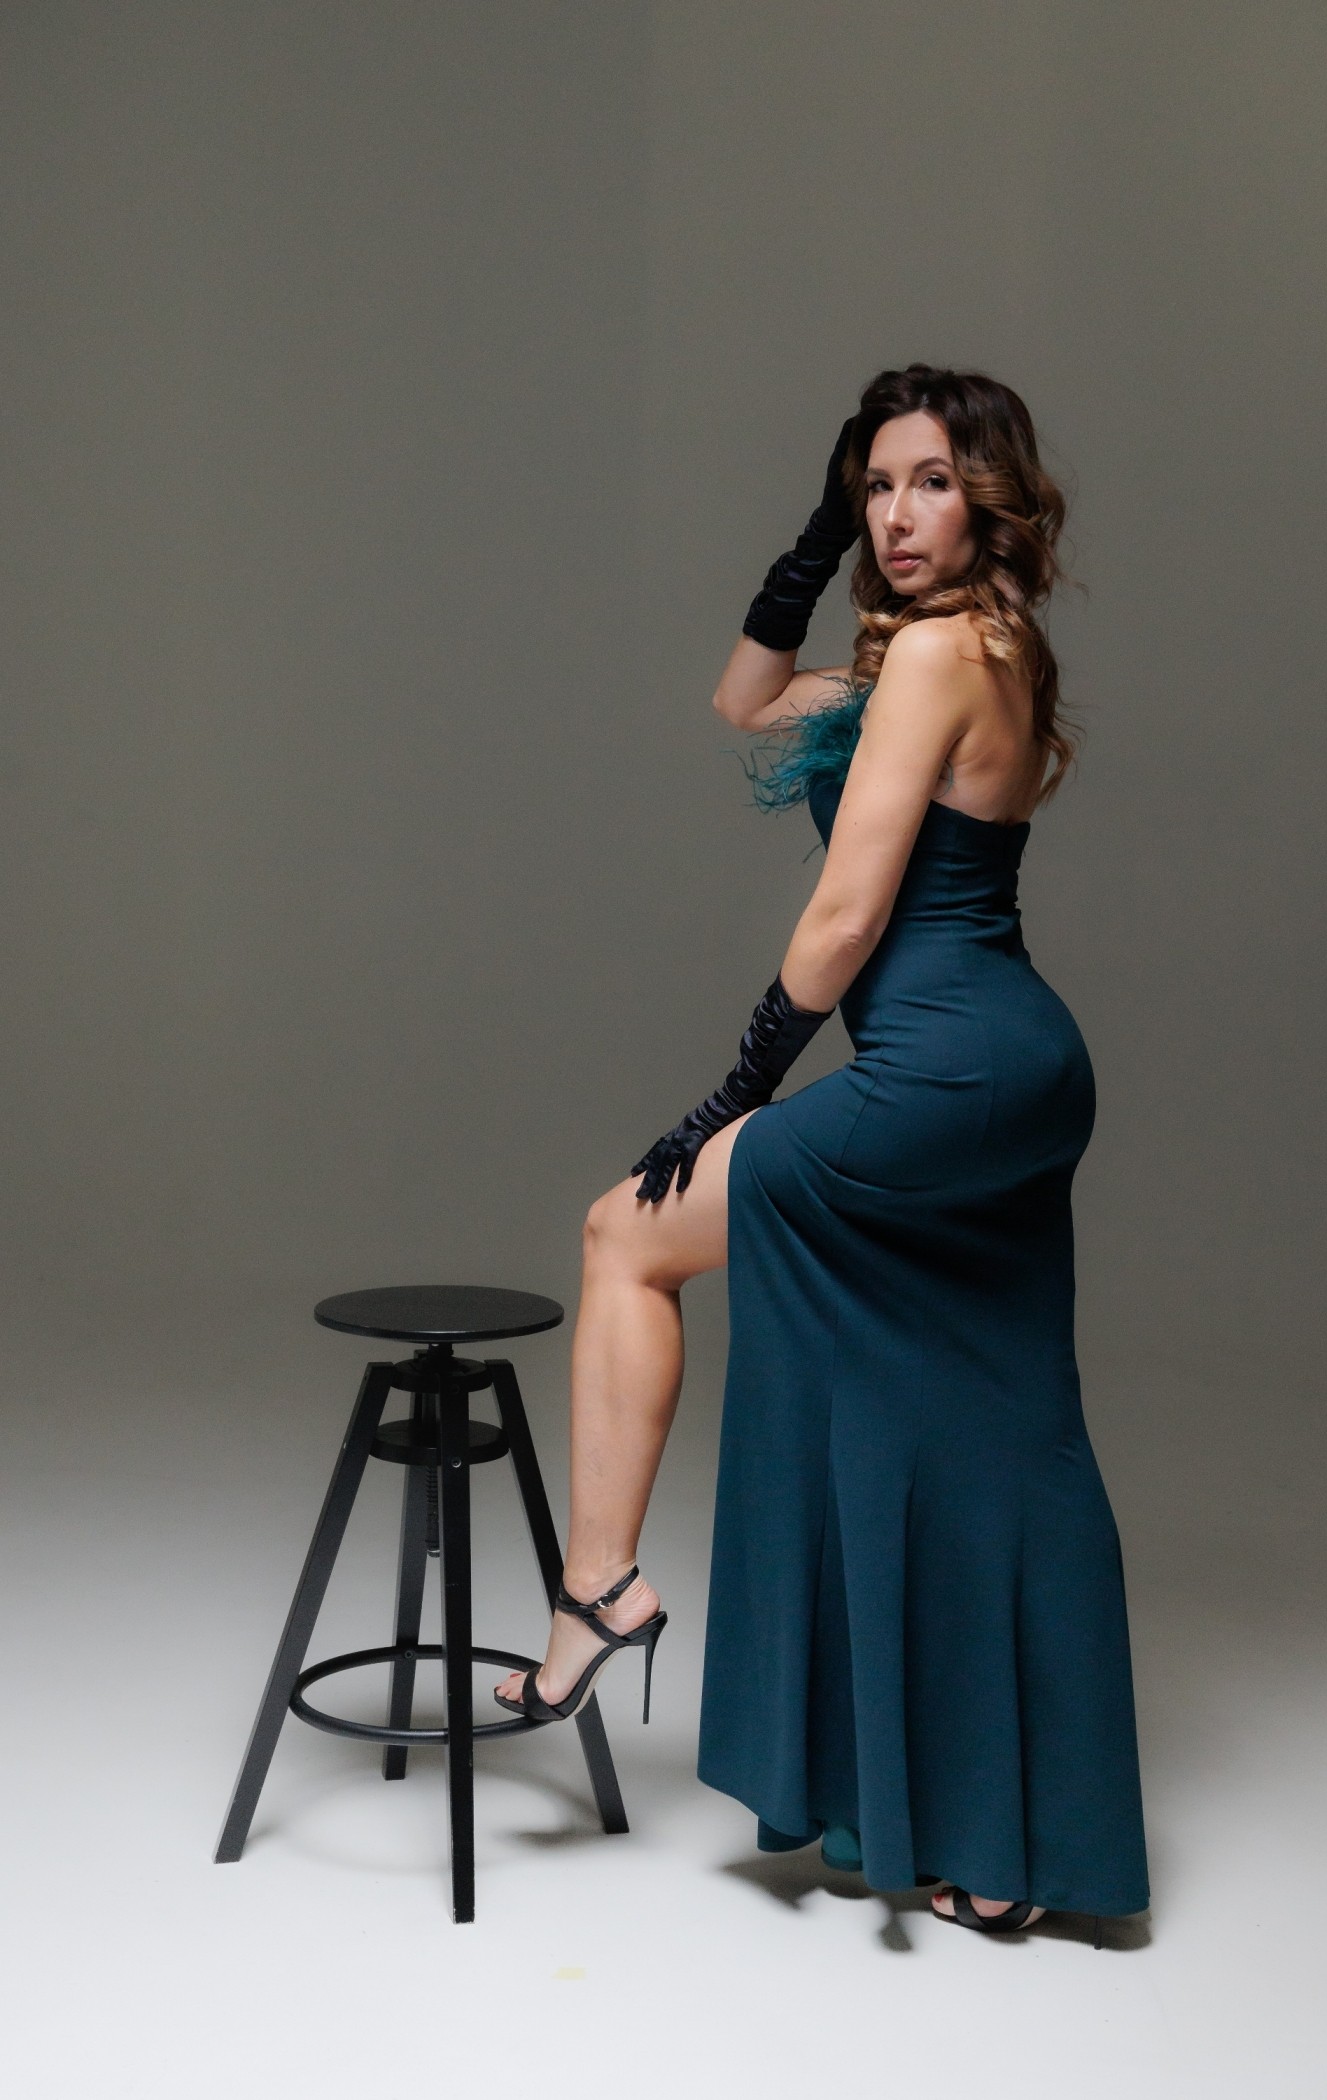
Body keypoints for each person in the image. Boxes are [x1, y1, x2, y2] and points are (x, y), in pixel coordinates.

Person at [495, 363, 1150, 1936]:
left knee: (622, 1235)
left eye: (930, 482)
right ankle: (1014, 1848)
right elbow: (743, 699)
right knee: (1001, 1430)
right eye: (873, 487)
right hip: (1015, 1069)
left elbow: (847, 914)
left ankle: (599, 1589)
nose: (896, 515)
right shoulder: (985, 644)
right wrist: (808, 540)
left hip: (937, 1068)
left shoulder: (931, 653)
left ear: (988, 495)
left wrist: (734, 1092)